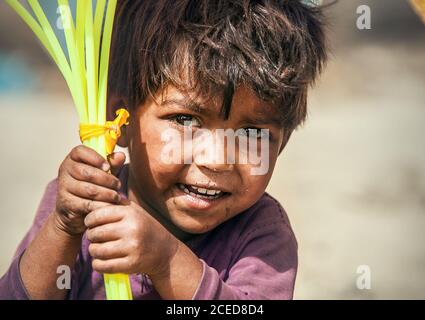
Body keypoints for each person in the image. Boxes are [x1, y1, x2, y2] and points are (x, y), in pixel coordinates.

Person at [0, 0, 327, 299]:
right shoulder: (79, 202)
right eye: (185, 120)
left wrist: (166, 259)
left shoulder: (261, 233)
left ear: (281, 144)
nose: (217, 160)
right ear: (120, 120)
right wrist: (63, 228)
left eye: (252, 133)